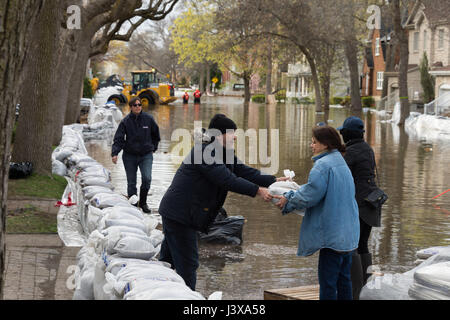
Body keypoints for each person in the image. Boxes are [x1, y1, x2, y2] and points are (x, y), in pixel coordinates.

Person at [158, 113, 288, 290]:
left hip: (183, 214)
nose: (235, 136)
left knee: (167, 261)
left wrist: (272, 181)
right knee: (188, 264)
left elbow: (243, 171)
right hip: (180, 215)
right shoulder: (203, 152)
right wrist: (258, 191)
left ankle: (160, 290)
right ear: (219, 134)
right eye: (232, 132)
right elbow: (227, 180)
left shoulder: (222, 152)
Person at [273, 125, 360, 300]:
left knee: (328, 283)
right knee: (344, 281)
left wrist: (288, 198)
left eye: (314, 142)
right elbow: (317, 190)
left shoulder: (322, 166)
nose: (311, 145)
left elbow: (309, 196)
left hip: (332, 237)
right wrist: (297, 192)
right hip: (348, 234)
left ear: (325, 144)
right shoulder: (340, 161)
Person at [338, 116, 380, 299]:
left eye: (342, 132)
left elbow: (340, 175)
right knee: (363, 244)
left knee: (352, 246)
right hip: (372, 204)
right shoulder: (367, 149)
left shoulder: (351, 152)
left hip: (359, 205)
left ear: (346, 134)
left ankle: (355, 293)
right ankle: (365, 288)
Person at [111, 97, 160, 213]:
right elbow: (119, 139)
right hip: (129, 156)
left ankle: (143, 203)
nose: (138, 107)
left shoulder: (149, 119)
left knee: (147, 178)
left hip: (146, 155)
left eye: (139, 105)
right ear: (131, 107)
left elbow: (156, 135)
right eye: (135, 105)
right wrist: (115, 153)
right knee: (131, 182)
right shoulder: (125, 121)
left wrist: (153, 148)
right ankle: (133, 207)